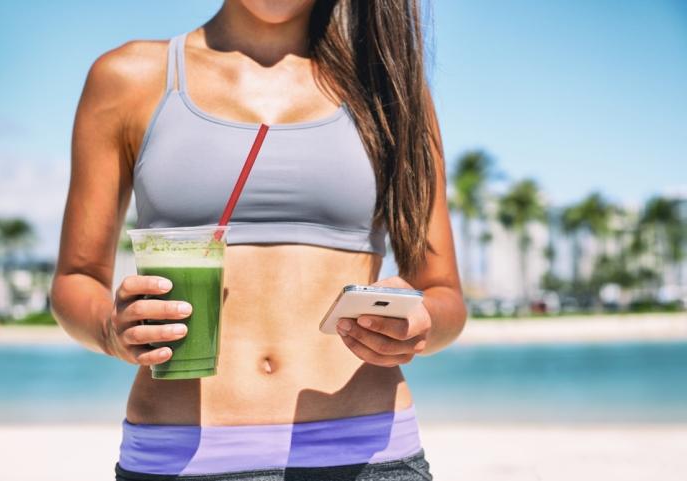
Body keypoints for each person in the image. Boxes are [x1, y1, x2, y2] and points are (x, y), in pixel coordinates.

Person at [51, 0, 466, 480]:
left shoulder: (388, 86)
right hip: (180, 459)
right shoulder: (128, 78)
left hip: (367, 456)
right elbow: (76, 278)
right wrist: (111, 329)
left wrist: (420, 322)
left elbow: (443, 295)